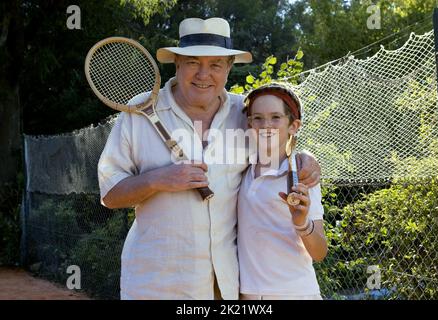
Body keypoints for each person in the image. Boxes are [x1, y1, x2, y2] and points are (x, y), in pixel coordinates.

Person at [98, 17, 321, 300]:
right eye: (193, 62)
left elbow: (279, 145)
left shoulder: (244, 112)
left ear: (228, 69)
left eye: (215, 64)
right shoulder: (138, 113)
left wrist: (305, 156)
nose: (204, 75)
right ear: (177, 63)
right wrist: (157, 179)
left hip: (224, 286)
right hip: (156, 286)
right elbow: (110, 195)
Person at [237, 83, 327, 300]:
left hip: (294, 292)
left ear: (293, 126)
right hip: (249, 293)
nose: (266, 125)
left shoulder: (301, 177)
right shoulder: (242, 170)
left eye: (276, 117)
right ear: (249, 124)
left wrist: (302, 224)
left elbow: (319, 252)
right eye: (257, 118)